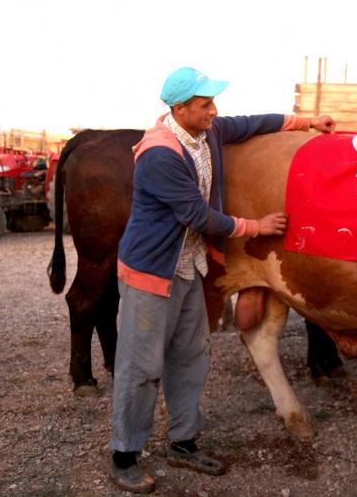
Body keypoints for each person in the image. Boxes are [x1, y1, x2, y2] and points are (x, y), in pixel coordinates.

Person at [108, 66, 335, 494]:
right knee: (141, 366)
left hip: (189, 264)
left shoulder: (205, 132)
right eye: (205, 104)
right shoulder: (159, 154)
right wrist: (258, 226)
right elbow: (197, 216)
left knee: (191, 355)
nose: (214, 111)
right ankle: (124, 455)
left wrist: (307, 122)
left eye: (213, 103)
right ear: (180, 109)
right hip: (151, 273)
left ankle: (184, 441)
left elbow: (252, 124)